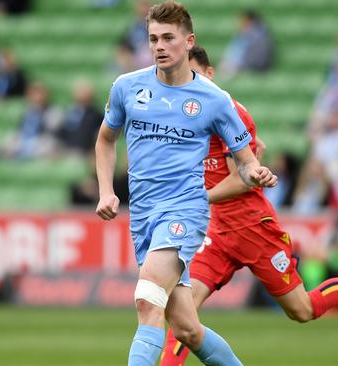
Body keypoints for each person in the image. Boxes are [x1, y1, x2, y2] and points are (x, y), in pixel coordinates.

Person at [159, 45, 338, 366]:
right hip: (219, 232)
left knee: (303, 310)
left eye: (193, 74)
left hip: (255, 229)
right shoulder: (192, 116)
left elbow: (242, 179)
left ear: (210, 74)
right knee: (183, 316)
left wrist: (197, 197)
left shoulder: (230, 113)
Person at [95, 2, 277, 365]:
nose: (159, 46)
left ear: (188, 41)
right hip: (144, 216)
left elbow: (245, 161)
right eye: (153, 39)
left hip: (185, 211)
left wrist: (256, 172)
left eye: (168, 38)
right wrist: (106, 190)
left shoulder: (214, 100)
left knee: (148, 300)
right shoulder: (128, 87)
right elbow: (105, 139)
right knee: (186, 329)